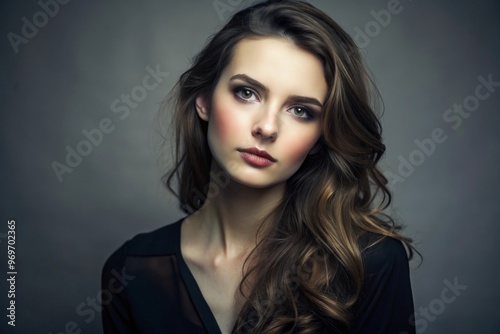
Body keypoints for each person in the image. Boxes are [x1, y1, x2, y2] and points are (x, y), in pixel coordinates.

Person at [101, 0, 419, 333]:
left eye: (300, 111)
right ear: (204, 100)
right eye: (247, 92)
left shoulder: (367, 263)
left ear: (320, 136)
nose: (267, 128)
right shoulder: (131, 271)